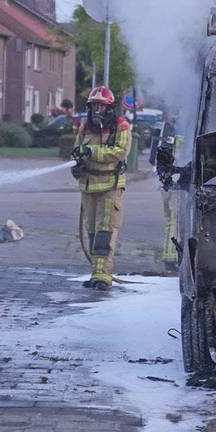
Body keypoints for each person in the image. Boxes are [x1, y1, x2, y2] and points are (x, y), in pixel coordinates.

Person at [72, 85, 132, 290]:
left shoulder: (121, 126)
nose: (97, 110)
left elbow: (120, 152)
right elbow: (77, 149)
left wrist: (91, 152)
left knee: (105, 232)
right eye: (94, 106)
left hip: (110, 186)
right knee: (90, 231)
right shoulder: (85, 127)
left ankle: (103, 276)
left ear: (109, 108)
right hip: (88, 186)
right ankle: (95, 272)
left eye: (101, 106)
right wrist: (78, 164)